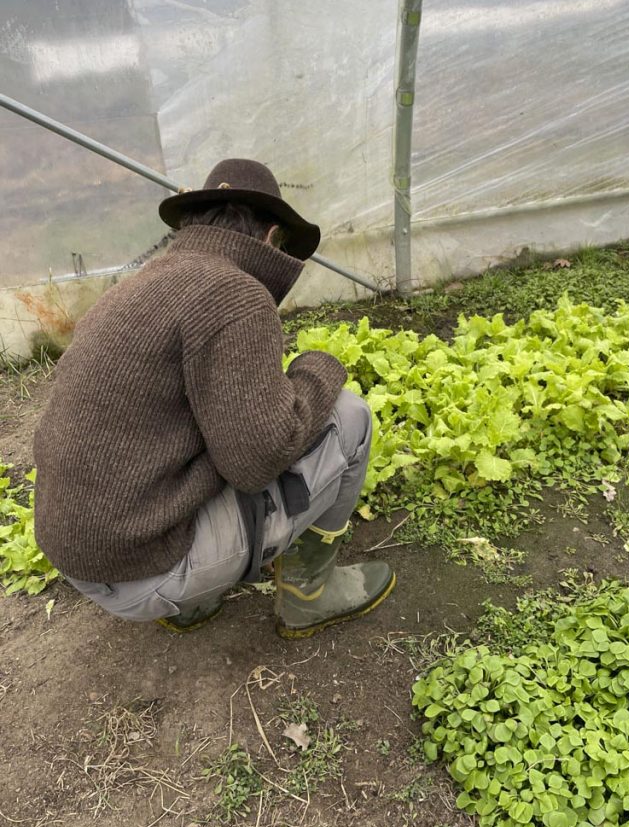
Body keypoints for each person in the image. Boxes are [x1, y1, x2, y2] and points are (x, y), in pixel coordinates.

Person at [33, 159, 395, 636]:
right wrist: (317, 368)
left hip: (79, 556)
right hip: (144, 571)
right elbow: (257, 461)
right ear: (270, 238)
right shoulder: (235, 293)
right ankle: (309, 594)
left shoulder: (135, 286)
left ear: (196, 224)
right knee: (350, 416)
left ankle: (191, 603)